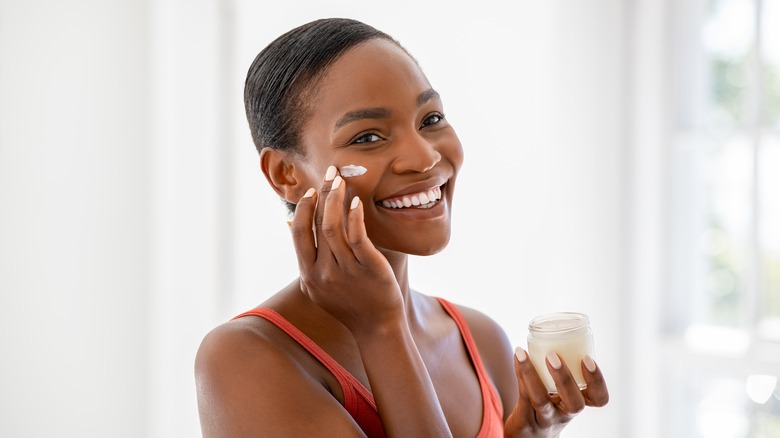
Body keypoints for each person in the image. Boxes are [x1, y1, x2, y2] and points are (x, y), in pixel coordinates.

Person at [195, 17, 609, 437]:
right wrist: (380, 329)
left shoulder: (480, 341)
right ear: (286, 173)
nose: (425, 157)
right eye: (369, 137)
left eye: (430, 120)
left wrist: (529, 432)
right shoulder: (245, 358)